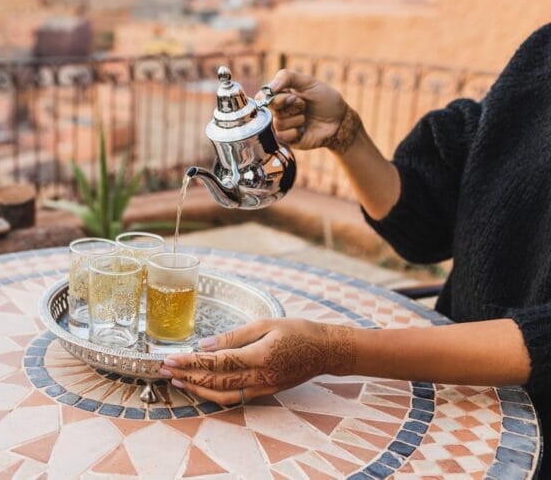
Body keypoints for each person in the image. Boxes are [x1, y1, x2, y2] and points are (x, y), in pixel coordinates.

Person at [160, 24, 551, 472]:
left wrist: (335, 350)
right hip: (455, 395)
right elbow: (425, 228)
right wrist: (346, 134)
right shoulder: (542, 53)